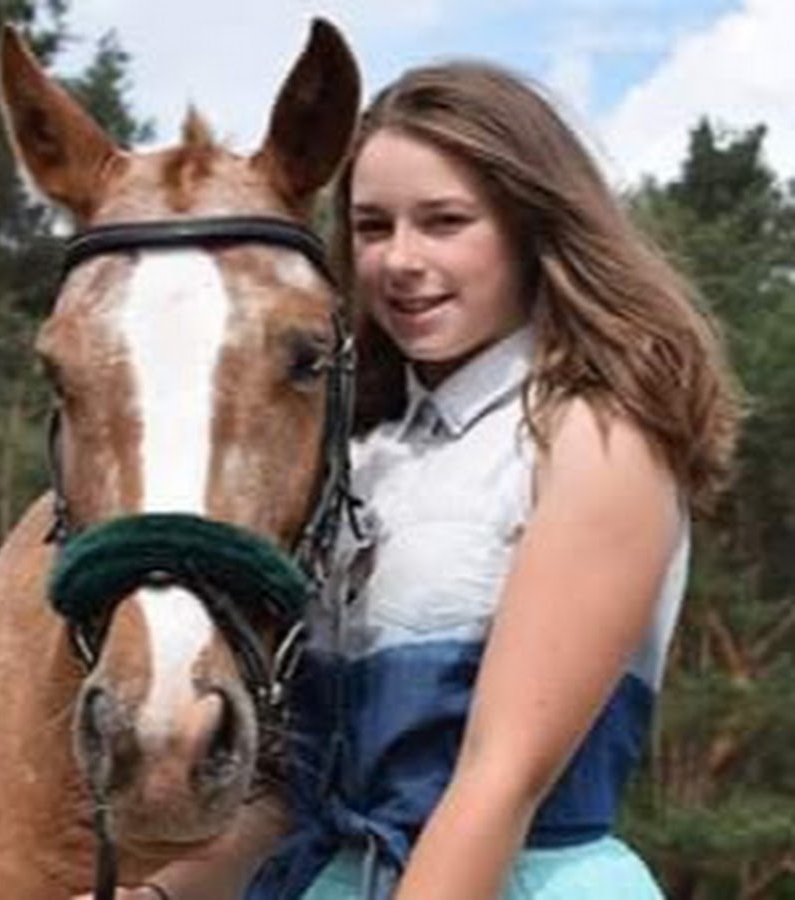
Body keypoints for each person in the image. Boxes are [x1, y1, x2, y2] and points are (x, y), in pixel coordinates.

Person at [91, 58, 740, 900]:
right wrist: (158, 897)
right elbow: (296, 799)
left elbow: (500, 779)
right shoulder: (361, 457)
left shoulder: (595, 436)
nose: (399, 259)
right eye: (372, 227)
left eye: (444, 222)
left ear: (531, 226)